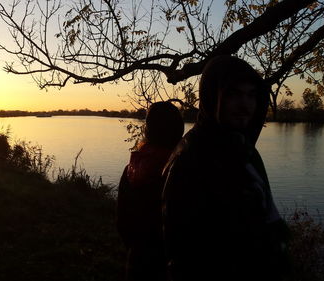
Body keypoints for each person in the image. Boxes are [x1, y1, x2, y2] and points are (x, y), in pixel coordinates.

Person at [162, 55, 290, 281]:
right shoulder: (190, 159)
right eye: (233, 94)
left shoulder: (245, 151)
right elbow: (182, 252)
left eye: (251, 95)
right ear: (212, 97)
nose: (245, 105)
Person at [117, 101, 184, 281]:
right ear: (179, 130)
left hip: (138, 260)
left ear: (148, 130)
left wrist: (135, 248)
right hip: (174, 266)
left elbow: (122, 221)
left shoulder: (131, 168)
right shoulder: (183, 171)